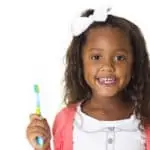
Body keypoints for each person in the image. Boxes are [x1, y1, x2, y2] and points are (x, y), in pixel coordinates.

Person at [26, 6, 150, 150]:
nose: (108, 66)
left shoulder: (145, 118)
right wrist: (43, 146)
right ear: (80, 62)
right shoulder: (66, 120)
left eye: (119, 57)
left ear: (134, 63)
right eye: (96, 57)